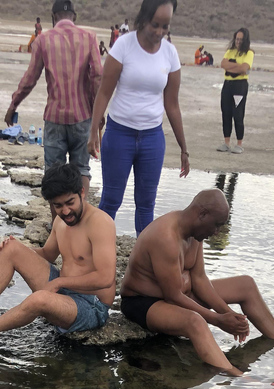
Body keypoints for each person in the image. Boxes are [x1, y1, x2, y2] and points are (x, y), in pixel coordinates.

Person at [119, 189, 274, 375]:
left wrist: (230, 315)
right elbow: (173, 295)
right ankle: (236, 376)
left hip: (183, 294)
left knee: (245, 284)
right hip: (144, 302)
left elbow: (199, 279)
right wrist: (217, 320)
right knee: (196, 321)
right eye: (216, 226)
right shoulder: (165, 237)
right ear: (202, 214)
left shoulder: (195, 232)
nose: (216, 233)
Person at [0, 163, 117, 343]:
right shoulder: (61, 220)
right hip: (63, 292)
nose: (65, 211)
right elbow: (47, 254)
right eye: (58, 206)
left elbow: (106, 278)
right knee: (11, 248)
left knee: (39, 299)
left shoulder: (100, 223)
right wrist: (17, 249)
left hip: (92, 306)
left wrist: (59, 282)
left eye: (70, 203)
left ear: (82, 192)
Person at [87, 0, 190, 236]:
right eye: (155, 25)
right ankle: (95, 258)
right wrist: (93, 131)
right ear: (144, 19)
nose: (160, 32)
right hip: (119, 134)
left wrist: (184, 148)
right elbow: (104, 92)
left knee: (146, 206)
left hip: (152, 139)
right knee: (110, 200)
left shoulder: (170, 53)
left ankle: (145, 265)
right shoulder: (124, 46)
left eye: (165, 27)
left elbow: (172, 105)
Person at [5, 0, 102, 220]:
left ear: (53, 17)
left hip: (55, 118)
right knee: (82, 170)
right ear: (74, 17)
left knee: (53, 174)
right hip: (83, 116)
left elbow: (30, 79)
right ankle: (82, 223)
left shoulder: (43, 40)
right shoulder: (89, 38)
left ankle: (58, 229)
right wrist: (98, 112)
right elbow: (97, 76)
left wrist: (13, 105)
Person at [217, 28, 253, 154]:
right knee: (226, 112)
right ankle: (226, 142)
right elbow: (223, 64)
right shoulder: (229, 51)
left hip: (240, 86)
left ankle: (239, 143)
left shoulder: (249, 53)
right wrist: (237, 67)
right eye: (237, 39)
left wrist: (232, 67)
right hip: (228, 85)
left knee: (238, 114)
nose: (238, 42)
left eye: (241, 40)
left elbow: (244, 68)